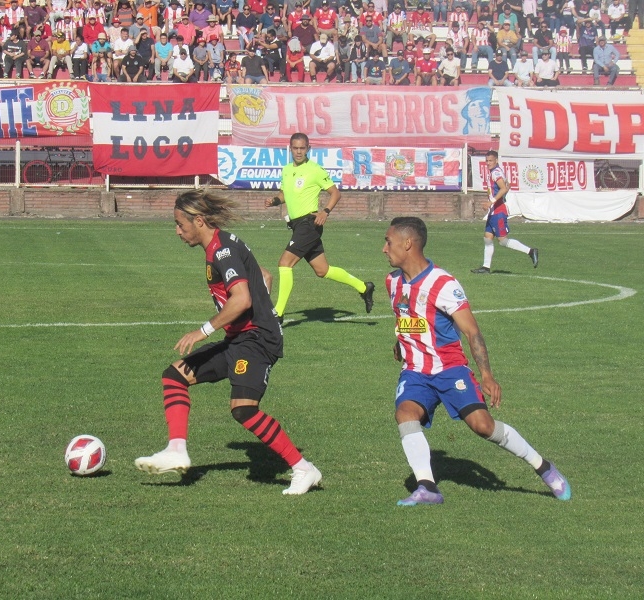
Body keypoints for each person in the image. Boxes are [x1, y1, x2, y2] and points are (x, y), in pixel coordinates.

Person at [134, 190, 322, 496]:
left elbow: (242, 298)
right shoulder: (221, 247)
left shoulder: (221, 250)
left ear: (198, 221)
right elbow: (262, 274)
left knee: (244, 409)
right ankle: (176, 449)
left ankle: (304, 469)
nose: (177, 231)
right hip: (241, 338)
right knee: (175, 375)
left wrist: (203, 330)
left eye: (180, 224)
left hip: (257, 339)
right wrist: (262, 291)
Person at [383, 216, 571, 505]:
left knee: (483, 426)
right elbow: (407, 318)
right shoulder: (392, 282)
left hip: (450, 369)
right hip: (415, 372)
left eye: (389, 242)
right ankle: (427, 488)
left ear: (408, 244)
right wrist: (401, 342)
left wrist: (487, 375)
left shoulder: (443, 284)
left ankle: (544, 467)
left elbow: (471, 330)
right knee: (405, 414)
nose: (384, 249)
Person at [265, 132, 375, 322]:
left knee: (285, 263)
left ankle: (278, 313)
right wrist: (275, 200)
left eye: (302, 148)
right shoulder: (286, 170)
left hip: (309, 224)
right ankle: (364, 288)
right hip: (298, 225)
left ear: (308, 148)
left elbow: (335, 193)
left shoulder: (314, 170)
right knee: (322, 270)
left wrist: (325, 211)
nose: (299, 152)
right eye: (295, 148)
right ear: (290, 148)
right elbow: (285, 194)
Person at [471, 150, 538, 274]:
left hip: (498, 211)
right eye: (486, 161)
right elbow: (506, 187)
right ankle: (486, 267)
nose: (488, 163)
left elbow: (503, 188)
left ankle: (530, 251)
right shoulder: (494, 172)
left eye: (490, 160)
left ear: (496, 160)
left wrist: (491, 202)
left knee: (503, 241)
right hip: (493, 211)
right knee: (487, 238)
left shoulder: (496, 173)